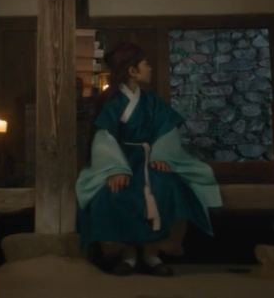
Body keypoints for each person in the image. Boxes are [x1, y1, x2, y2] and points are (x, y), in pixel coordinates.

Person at [75, 42, 222, 277]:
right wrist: (115, 169)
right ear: (132, 71)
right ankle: (128, 255)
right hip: (120, 159)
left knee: (168, 187)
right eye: (145, 64)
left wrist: (162, 156)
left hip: (150, 158)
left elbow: (166, 131)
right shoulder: (112, 103)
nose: (150, 68)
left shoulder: (152, 101)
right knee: (111, 193)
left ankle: (153, 254)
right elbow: (104, 138)